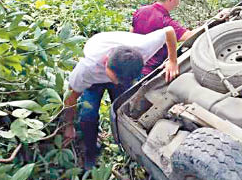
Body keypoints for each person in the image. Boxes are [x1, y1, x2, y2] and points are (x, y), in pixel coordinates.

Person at [63, 26, 179, 169]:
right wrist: (68, 125)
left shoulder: (143, 47)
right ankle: (90, 151)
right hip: (94, 82)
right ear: (106, 61)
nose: (115, 83)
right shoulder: (87, 69)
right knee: (88, 116)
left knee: (124, 110)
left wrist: (172, 60)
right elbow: (71, 97)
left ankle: (124, 144)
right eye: (114, 79)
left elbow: (169, 31)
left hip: (123, 73)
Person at [131, 0, 197, 75]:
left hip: (134, 65)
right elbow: (189, 36)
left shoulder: (140, 11)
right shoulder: (165, 21)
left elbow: (132, 33)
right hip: (150, 72)